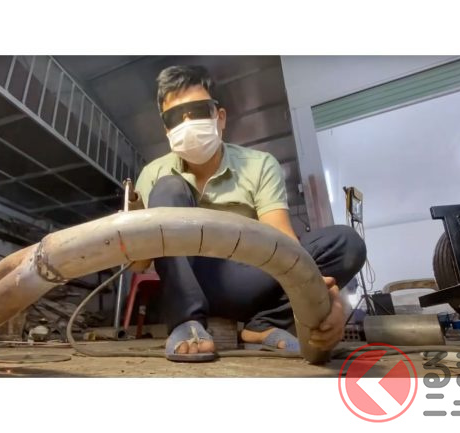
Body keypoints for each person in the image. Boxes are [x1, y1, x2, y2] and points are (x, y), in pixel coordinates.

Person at [128, 65, 366, 362]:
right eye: (175, 117)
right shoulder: (154, 173)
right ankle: (186, 323)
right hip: (188, 280)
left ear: (220, 117)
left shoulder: (259, 164)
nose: (187, 123)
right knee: (168, 188)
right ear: (166, 130)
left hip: (250, 277)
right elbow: (139, 264)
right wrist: (132, 229)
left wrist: (331, 300)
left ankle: (263, 324)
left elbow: (283, 241)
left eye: (198, 111)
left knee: (346, 243)